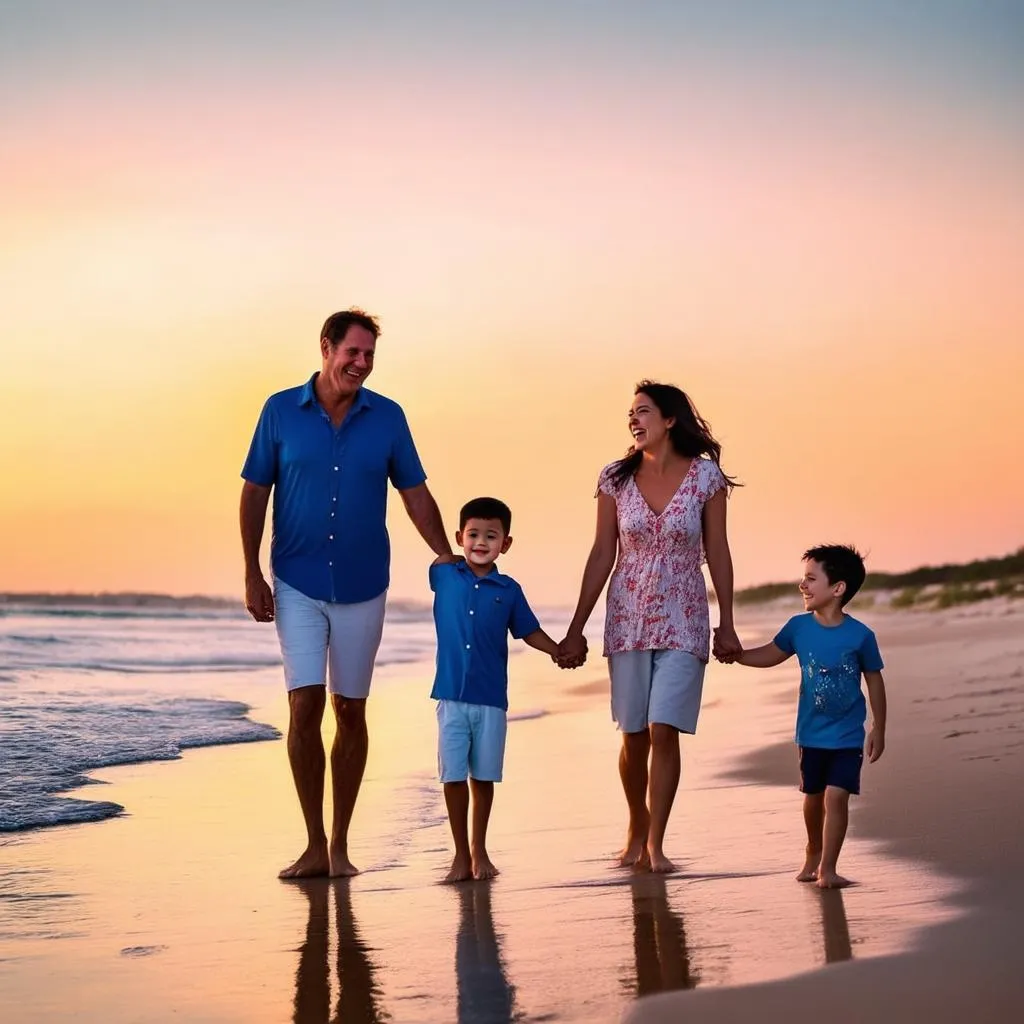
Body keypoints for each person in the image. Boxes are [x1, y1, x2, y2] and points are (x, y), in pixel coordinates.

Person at [240, 308, 456, 879]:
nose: (360, 364)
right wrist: (251, 571)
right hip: (295, 580)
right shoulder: (280, 411)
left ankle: (340, 845)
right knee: (304, 704)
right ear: (326, 347)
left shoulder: (388, 418)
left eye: (368, 356)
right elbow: (254, 493)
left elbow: (415, 494)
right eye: (351, 352)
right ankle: (313, 842)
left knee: (350, 709)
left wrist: (444, 553)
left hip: (363, 585)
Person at [558, 381, 740, 873]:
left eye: (643, 412)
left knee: (665, 727)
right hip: (627, 617)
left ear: (670, 419)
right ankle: (636, 825)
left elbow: (717, 550)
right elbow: (602, 553)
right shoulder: (614, 479)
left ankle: (656, 842)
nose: (634, 421)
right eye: (630, 415)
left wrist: (727, 621)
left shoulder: (706, 479)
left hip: (685, 616)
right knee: (634, 733)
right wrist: (576, 627)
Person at [722, 544, 887, 889]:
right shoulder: (798, 628)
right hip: (810, 735)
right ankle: (813, 850)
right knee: (813, 798)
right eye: (803, 578)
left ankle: (828, 867)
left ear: (838, 588)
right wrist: (737, 655)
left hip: (847, 736)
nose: (803, 585)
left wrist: (879, 728)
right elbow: (771, 654)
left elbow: (874, 681)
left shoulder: (860, 636)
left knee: (836, 796)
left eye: (811, 579)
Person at [430, 497, 563, 883]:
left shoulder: (508, 589)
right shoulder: (444, 575)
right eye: (472, 535)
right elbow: (438, 557)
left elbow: (528, 630)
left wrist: (556, 649)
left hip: (490, 700)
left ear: (505, 543)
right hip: (450, 696)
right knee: (452, 776)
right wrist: (448, 553)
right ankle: (458, 855)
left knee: (483, 777)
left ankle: (479, 850)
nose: (480, 542)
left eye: (491, 535)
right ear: (460, 538)